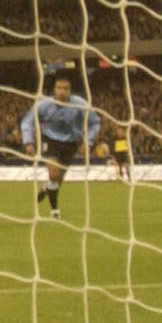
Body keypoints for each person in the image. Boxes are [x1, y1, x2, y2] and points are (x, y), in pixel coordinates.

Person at [19, 74, 100, 219]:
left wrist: (88, 142)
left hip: (71, 143)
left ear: (70, 90)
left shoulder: (80, 104)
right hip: (49, 140)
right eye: (59, 88)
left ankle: (46, 187)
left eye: (66, 88)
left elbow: (95, 122)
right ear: (54, 90)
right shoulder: (44, 104)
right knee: (54, 174)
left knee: (58, 180)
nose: (62, 91)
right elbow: (27, 121)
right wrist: (28, 142)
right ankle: (55, 211)